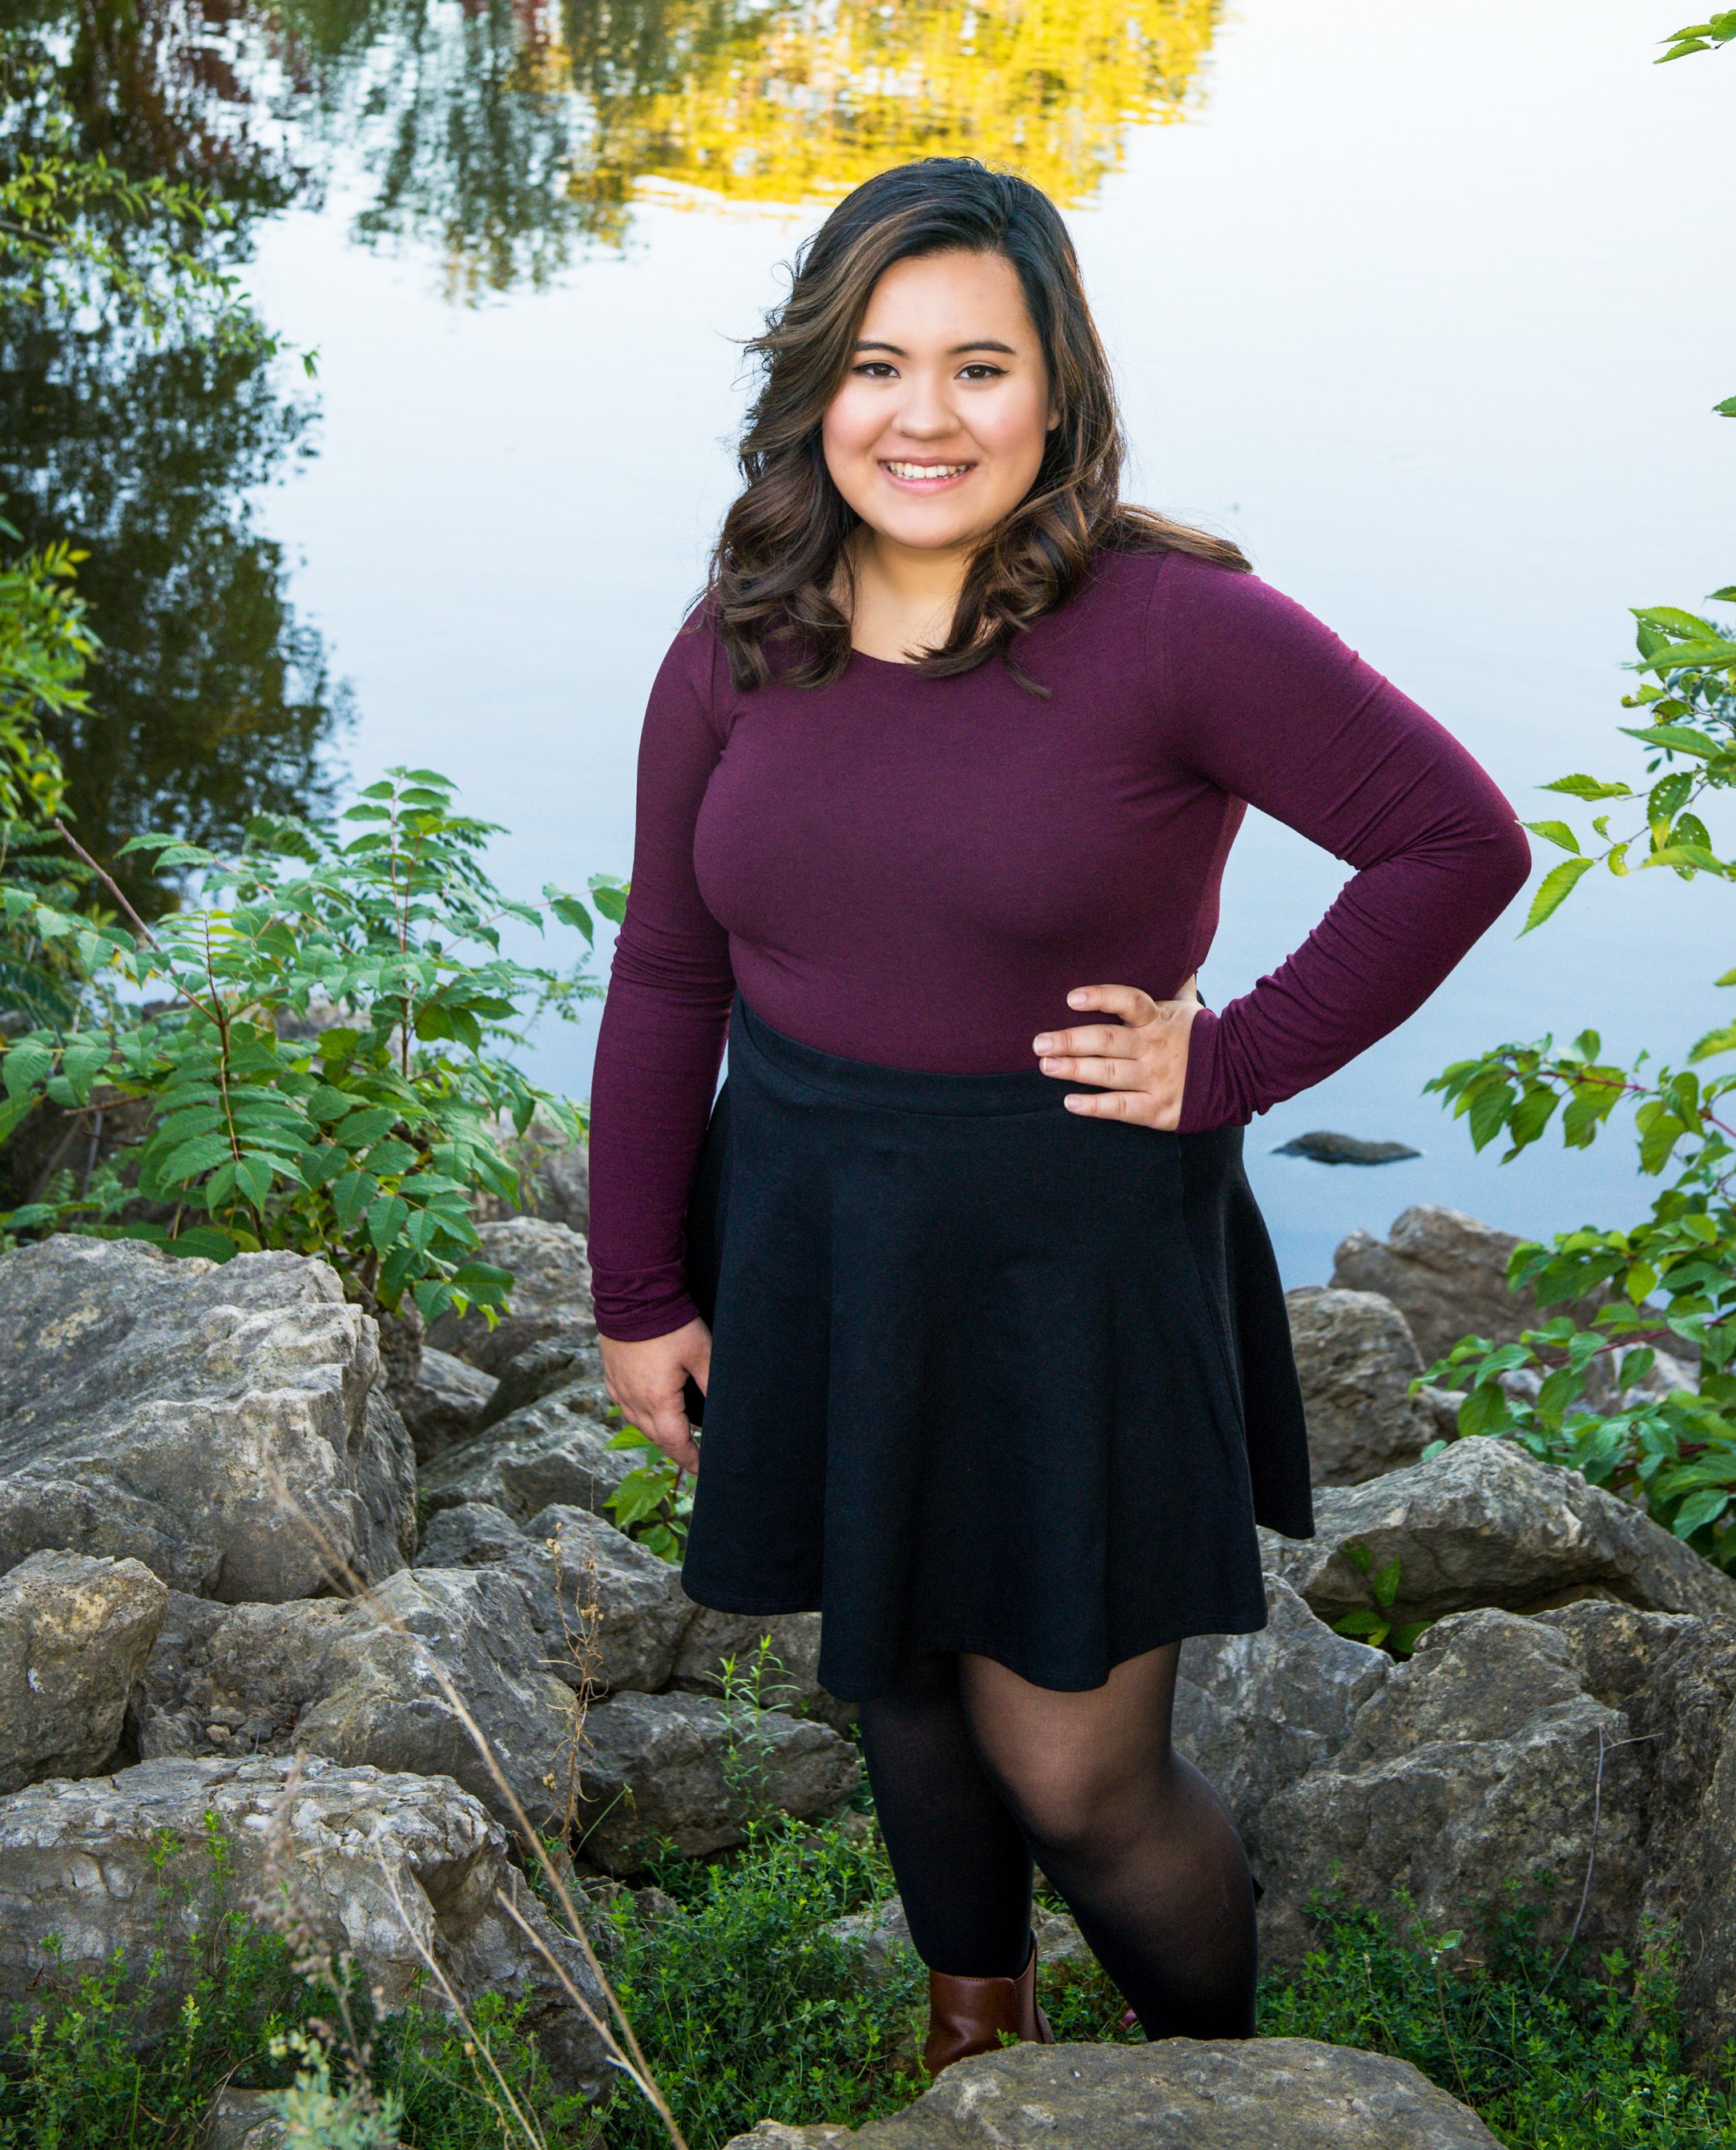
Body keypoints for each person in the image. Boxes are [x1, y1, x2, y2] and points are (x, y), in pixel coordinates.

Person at [588, 158, 1528, 2067]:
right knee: (904, 1669)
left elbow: (1455, 840)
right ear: (812, 391)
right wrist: (633, 1285)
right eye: (874, 365)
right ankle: (977, 2046)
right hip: (810, 1221)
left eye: (976, 366)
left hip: (1067, 1249)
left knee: (1078, 1771)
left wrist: (1238, 1055)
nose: (921, 417)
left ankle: (1216, 2088)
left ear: (1057, 389)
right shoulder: (742, 630)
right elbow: (667, 968)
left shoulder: (1170, 627)